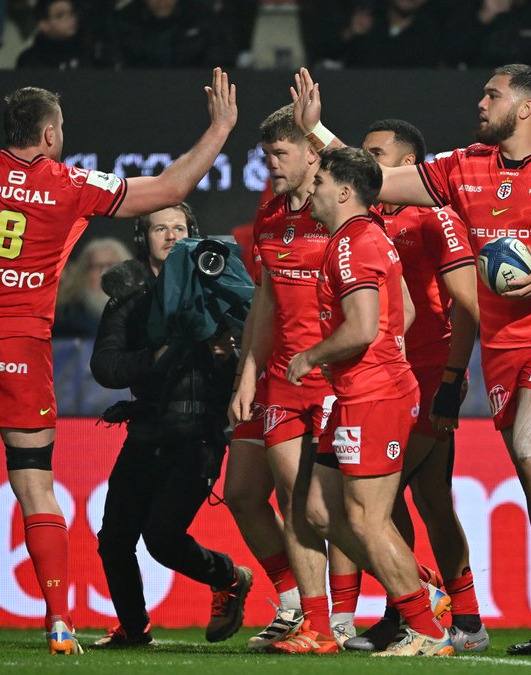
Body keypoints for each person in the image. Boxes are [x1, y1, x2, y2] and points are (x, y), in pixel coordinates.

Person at [0, 68, 238, 655]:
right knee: (36, 484)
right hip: (23, 349)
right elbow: (170, 188)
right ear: (47, 135)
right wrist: (219, 128)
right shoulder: (70, 184)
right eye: (60, 128)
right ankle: (59, 620)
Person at [291, 63, 531, 655]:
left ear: (527, 107)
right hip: (501, 345)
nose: (480, 102)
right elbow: (375, 178)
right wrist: (319, 132)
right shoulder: (463, 167)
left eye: (493, 94)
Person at [282, 146, 452, 657]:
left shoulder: (355, 242)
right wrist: (383, 348)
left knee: (366, 519)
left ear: (344, 190)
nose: (310, 190)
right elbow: (400, 312)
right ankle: (423, 590)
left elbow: (360, 327)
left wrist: (311, 356)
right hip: (356, 391)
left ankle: (428, 630)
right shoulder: (358, 238)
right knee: (317, 511)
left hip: (373, 395)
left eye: (319, 182)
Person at [341, 118, 487, 653]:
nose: (365, 161)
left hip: (428, 375)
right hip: (387, 373)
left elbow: (468, 307)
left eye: (375, 153)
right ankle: (461, 617)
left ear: (407, 166)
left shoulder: (435, 217)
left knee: (378, 496)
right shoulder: (367, 219)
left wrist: (451, 381)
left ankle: (415, 610)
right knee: (428, 498)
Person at [90, 203, 252, 648]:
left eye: (179, 227)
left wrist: (230, 356)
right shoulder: (130, 295)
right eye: (159, 227)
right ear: (144, 238)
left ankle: (229, 578)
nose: (171, 235)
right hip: (147, 431)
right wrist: (160, 356)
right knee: (115, 539)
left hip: (199, 434)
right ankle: (134, 628)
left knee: (162, 537)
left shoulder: (222, 287)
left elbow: (257, 353)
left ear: (194, 233)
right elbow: (105, 366)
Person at [226, 104, 355, 655]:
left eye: (281, 153)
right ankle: (308, 614)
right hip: (280, 378)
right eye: (266, 155)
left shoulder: (346, 216)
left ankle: (389, 599)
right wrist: (247, 375)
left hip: (334, 379)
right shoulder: (271, 220)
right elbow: (265, 303)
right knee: (280, 498)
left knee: (330, 508)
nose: (271, 164)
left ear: (311, 154)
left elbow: (385, 305)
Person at [106, 0, 236, 68]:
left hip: (194, 94)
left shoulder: (203, 18)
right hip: (137, 94)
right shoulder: (124, 20)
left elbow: (219, 61)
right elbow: (113, 64)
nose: (161, 1)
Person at [53, 237, 130, 338]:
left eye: (111, 265)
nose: (104, 272)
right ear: (84, 274)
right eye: (96, 266)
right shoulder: (67, 320)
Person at [17, 0, 95, 70]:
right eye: (60, 15)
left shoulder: (87, 53)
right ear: (43, 24)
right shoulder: (29, 59)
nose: (70, 18)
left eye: (71, 12)